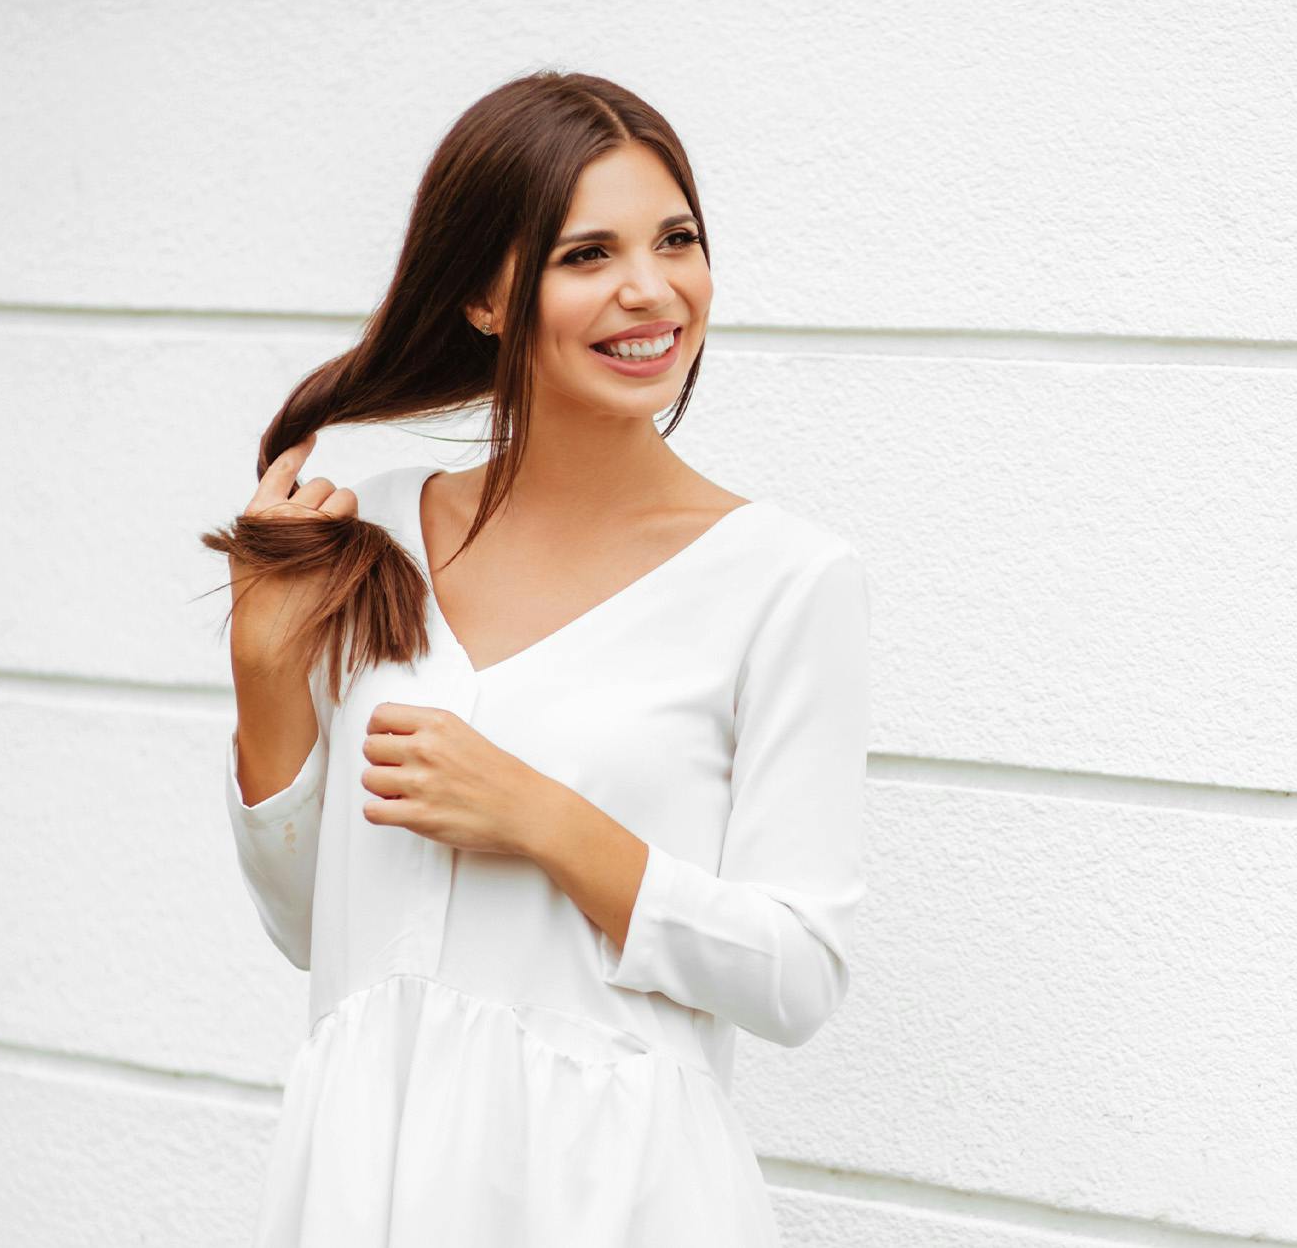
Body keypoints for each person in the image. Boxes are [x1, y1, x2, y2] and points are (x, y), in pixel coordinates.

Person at [201, 69, 871, 1248]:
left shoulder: (783, 579)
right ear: (481, 297)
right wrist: (265, 672)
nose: (650, 290)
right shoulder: (377, 534)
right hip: (369, 1176)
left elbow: (797, 974)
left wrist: (546, 818)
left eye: (677, 239)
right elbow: (323, 929)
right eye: (585, 254)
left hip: (612, 1197)